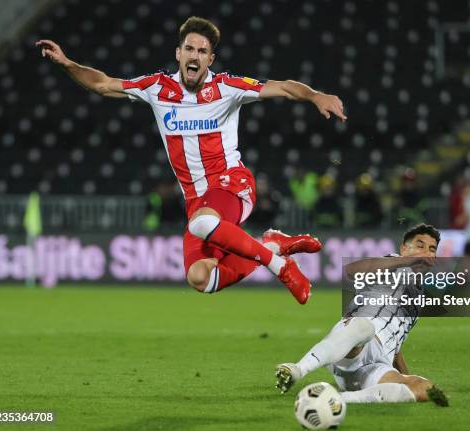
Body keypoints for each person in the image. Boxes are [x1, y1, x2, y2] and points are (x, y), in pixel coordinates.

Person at [36, 17, 347, 304]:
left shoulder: (226, 87)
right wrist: (66, 63)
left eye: (202, 51)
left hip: (233, 185)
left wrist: (315, 95)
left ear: (210, 59)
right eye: (189, 49)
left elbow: (283, 87)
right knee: (200, 277)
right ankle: (272, 244)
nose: (194, 56)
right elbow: (102, 84)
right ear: (178, 53)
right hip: (197, 201)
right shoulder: (157, 88)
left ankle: (279, 266)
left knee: (201, 223)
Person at [275, 224, 448, 406]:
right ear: (404, 248)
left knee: (425, 388)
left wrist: (404, 375)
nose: (426, 252)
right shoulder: (391, 264)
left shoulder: (418, 297)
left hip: (377, 365)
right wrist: (407, 261)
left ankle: (339, 399)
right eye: (420, 246)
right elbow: (352, 270)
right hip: (354, 346)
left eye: (431, 249)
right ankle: (297, 370)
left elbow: (395, 343)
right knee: (364, 327)